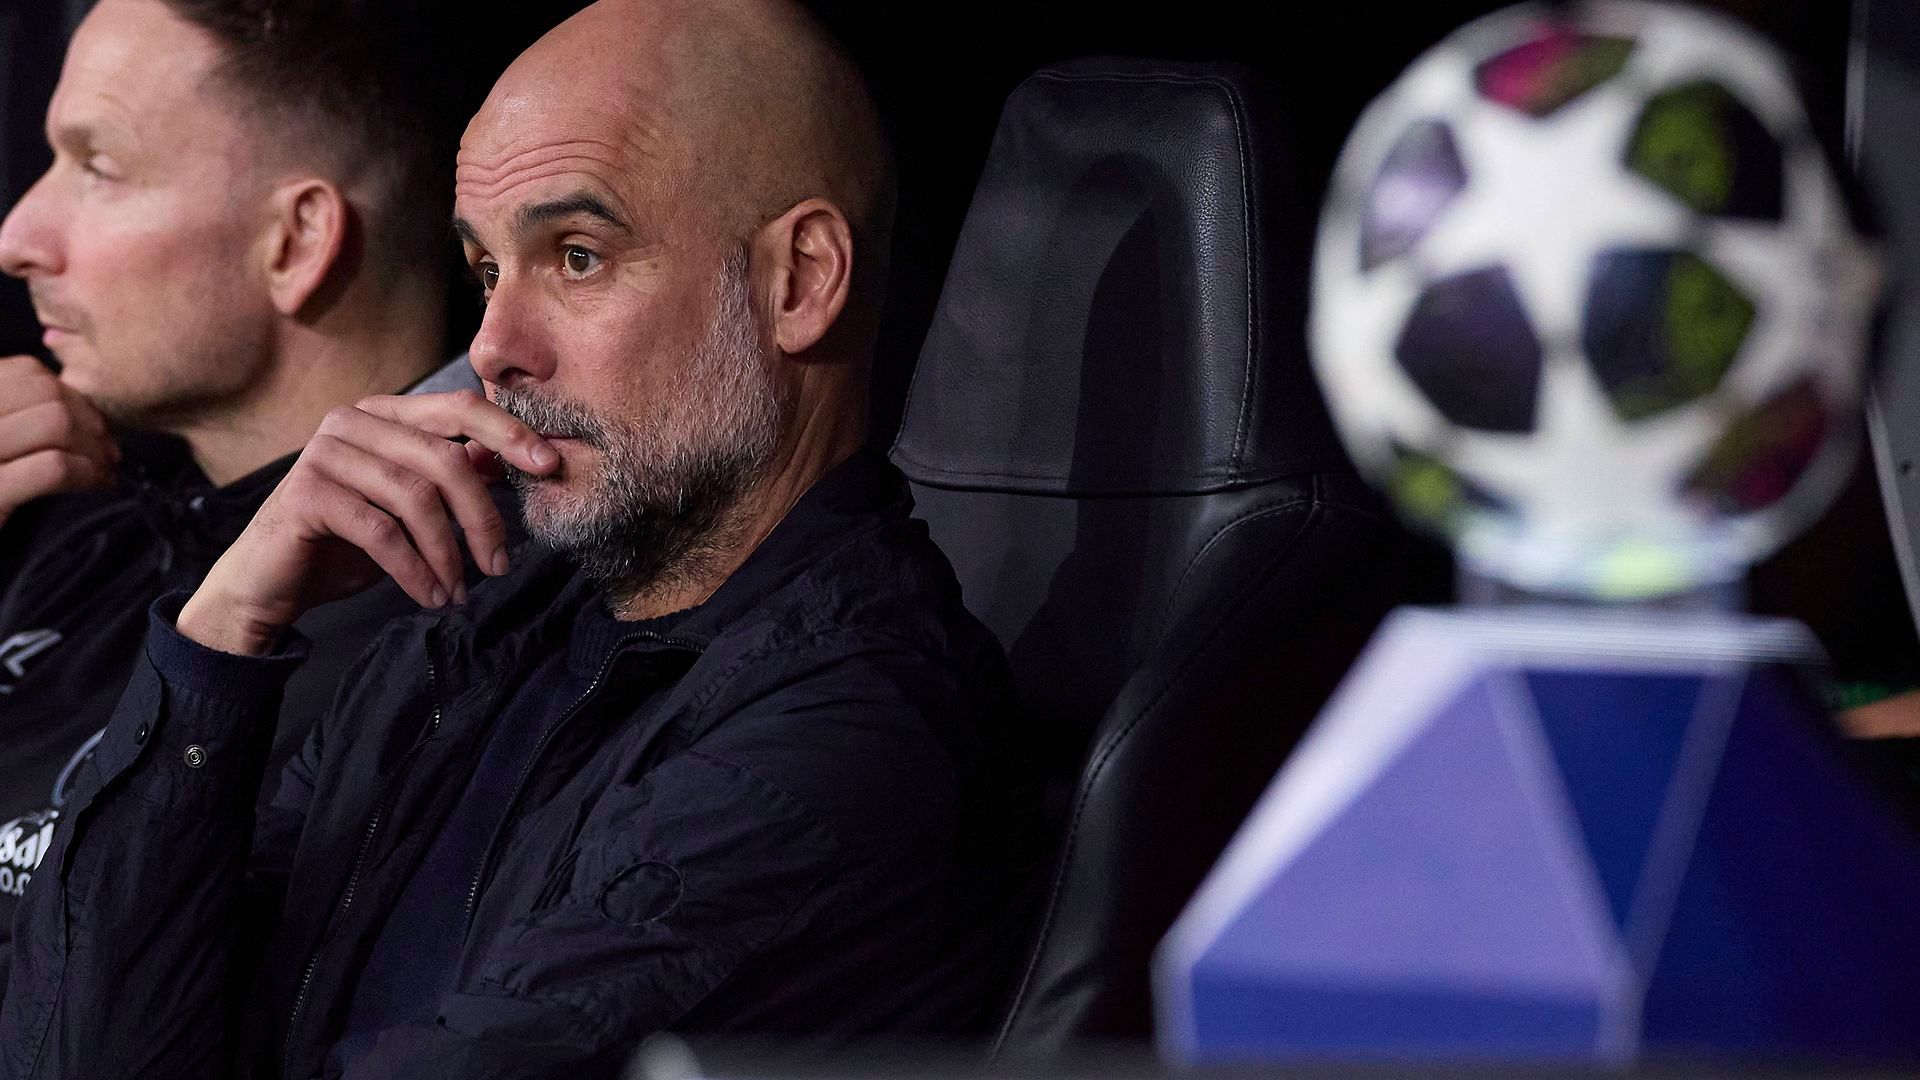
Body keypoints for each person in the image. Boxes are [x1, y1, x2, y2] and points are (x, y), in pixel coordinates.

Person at [0, 0, 1038, 1075]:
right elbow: (77, 1054)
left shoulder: (850, 734)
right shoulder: (476, 635)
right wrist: (222, 636)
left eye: (578, 256)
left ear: (800, 281)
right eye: (488, 271)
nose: (494, 346)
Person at [0, 0, 516, 933]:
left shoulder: (475, 626)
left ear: (297, 241)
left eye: (98, 167)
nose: (18, 238)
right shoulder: (69, 527)